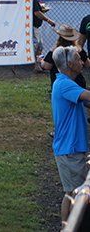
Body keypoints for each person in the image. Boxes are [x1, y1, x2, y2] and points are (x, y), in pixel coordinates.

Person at [50, 46, 90, 221]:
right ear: (69, 63)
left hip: (71, 147)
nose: (81, 62)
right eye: (78, 58)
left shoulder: (65, 83)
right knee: (74, 194)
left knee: (74, 193)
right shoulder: (65, 84)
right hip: (70, 149)